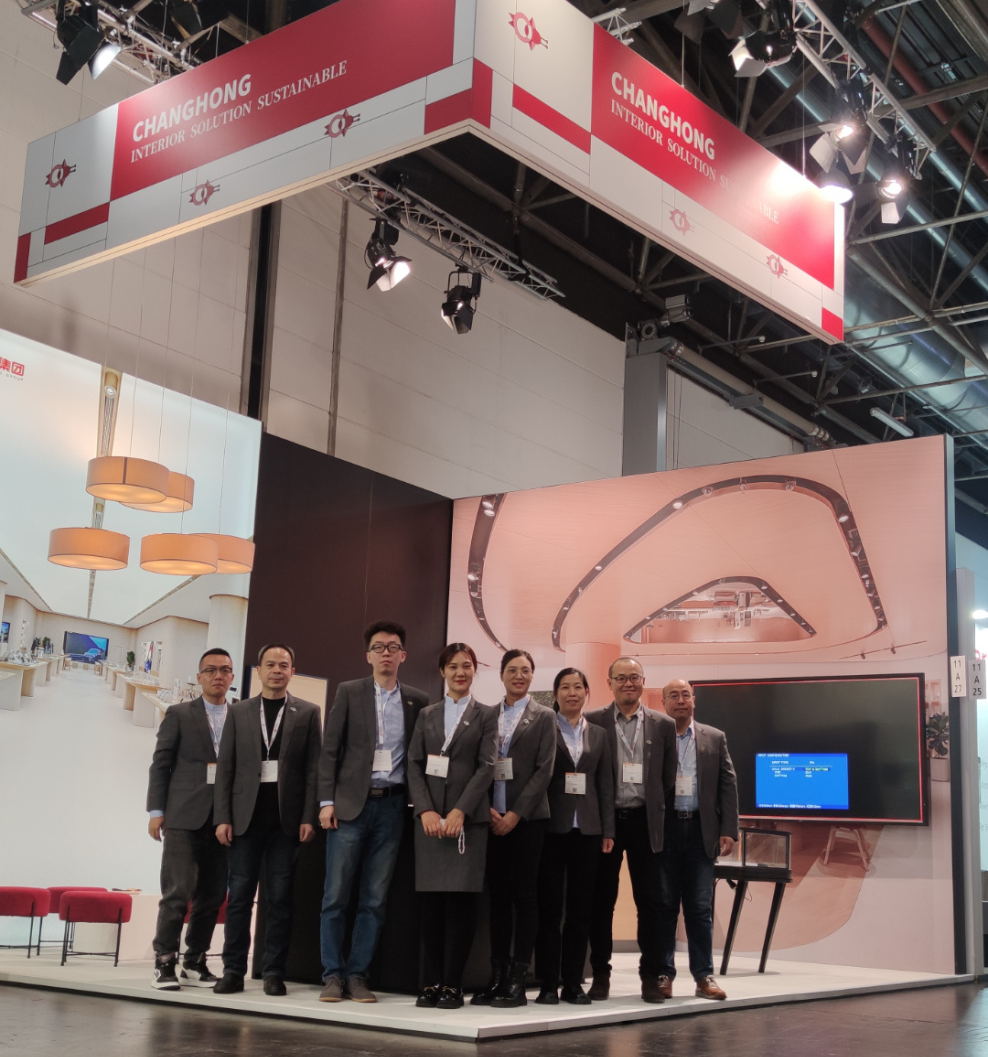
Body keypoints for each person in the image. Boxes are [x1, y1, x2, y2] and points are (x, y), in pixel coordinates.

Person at [317, 621, 429, 1004]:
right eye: (378, 647)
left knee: (374, 899)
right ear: (368, 656)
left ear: (403, 655)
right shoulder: (349, 692)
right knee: (336, 896)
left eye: (392, 647)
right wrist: (326, 802)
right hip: (350, 806)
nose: (385, 653)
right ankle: (332, 975)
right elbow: (330, 750)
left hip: (393, 807)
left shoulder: (417, 701)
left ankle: (358, 975)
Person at [212, 643, 321, 996]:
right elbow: (226, 768)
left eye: (283, 665)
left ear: (292, 671)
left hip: (285, 824)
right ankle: (232, 970)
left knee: (279, 900)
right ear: (259, 670)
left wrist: (308, 816)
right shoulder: (239, 712)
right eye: (270, 665)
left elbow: (313, 770)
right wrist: (222, 816)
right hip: (244, 821)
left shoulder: (308, 713)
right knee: (239, 898)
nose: (277, 670)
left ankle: (274, 971)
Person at [406, 642, 497, 1009]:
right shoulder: (427, 714)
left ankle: (453, 984)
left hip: (467, 825)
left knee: (460, 907)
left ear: (475, 670)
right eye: (453, 666)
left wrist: (460, 811)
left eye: (467, 666)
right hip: (429, 824)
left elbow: (486, 767)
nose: (460, 672)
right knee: (430, 907)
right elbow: (414, 764)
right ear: (442, 671)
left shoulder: (486, 715)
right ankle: (431, 982)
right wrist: (425, 810)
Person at [586, 656, 677, 1003]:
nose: (628, 683)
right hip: (606, 824)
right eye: (621, 677)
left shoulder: (662, 725)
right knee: (601, 902)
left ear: (643, 681)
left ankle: (650, 977)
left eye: (634, 677)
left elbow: (667, 779)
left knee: (651, 903)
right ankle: (600, 975)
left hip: (645, 822)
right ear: (609, 682)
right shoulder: (594, 721)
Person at [146, 648, 234, 990]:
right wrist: (156, 811)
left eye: (224, 670)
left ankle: (194, 961)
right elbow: (160, 764)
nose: (218, 676)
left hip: (223, 820)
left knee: (212, 896)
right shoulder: (179, 714)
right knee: (177, 893)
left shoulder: (240, 716)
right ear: (199, 677)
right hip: (183, 817)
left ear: (231, 676)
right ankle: (164, 961)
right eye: (211, 670)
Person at [472, 649, 556, 1008]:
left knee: (525, 897)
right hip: (491, 818)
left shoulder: (544, 716)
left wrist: (515, 814)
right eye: (512, 670)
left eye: (525, 670)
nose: (518, 676)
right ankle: (498, 976)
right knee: (498, 899)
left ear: (532, 675)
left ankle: (519, 979)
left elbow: (544, 770)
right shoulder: (487, 715)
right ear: (501, 675)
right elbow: (478, 766)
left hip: (527, 821)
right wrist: (488, 810)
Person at [534, 668, 615, 1005]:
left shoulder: (599, 734)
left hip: (589, 830)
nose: (572, 693)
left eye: (578, 687)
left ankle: (573, 983)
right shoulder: (544, 728)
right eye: (565, 687)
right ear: (555, 694)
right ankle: (547, 983)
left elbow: (605, 784)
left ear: (586, 692)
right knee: (550, 910)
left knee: (582, 911)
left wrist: (608, 829)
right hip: (552, 827)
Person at [657, 678, 738, 1001]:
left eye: (685, 695)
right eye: (673, 696)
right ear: (663, 703)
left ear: (694, 699)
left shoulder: (714, 737)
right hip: (664, 832)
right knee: (664, 907)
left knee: (700, 909)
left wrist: (728, 828)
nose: (680, 700)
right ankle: (663, 974)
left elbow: (727, 784)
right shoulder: (655, 736)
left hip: (700, 833)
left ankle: (704, 976)